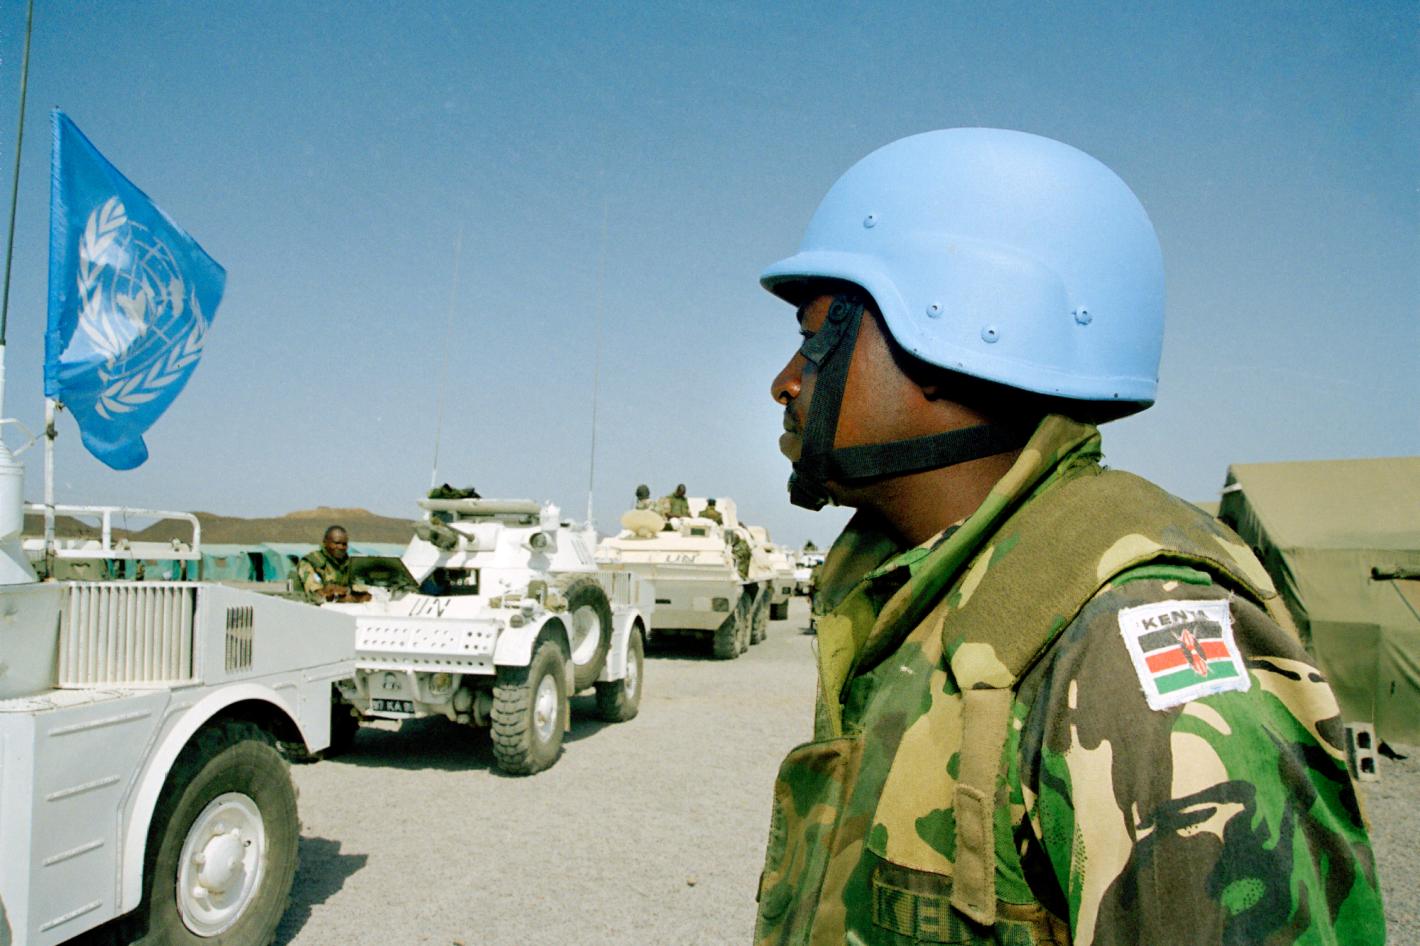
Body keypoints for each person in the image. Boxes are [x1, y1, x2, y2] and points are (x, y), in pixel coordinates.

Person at [753, 129, 1382, 945]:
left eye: (815, 338)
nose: (786, 381)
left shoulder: (1123, 642)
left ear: (948, 332)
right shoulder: (925, 592)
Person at [297, 525, 369, 604]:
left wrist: (343, 591)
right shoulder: (310, 562)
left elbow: (364, 593)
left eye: (344, 544)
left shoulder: (350, 564)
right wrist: (346, 595)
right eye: (336, 543)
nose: (341, 547)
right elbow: (318, 594)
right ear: (325, 542)